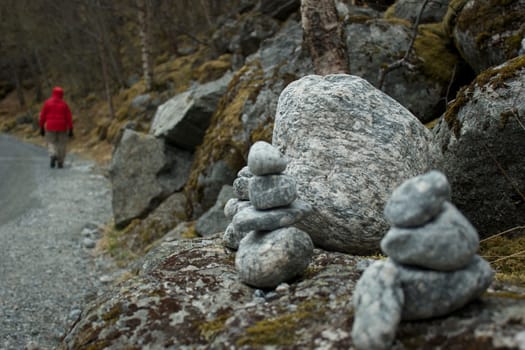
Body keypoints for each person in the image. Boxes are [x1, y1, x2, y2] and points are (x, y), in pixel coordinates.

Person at [39, 86, 74, 168]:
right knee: (61, 144)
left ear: (53, 93)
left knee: (51, 142)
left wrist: (41, 127)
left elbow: (42, 116)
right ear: (62, 94)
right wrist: (71, 128)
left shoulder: (47, 103)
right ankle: (60, 162)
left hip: (50, 126)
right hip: (62, 127)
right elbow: (69, 117)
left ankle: (53, 154)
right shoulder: (64, 104)